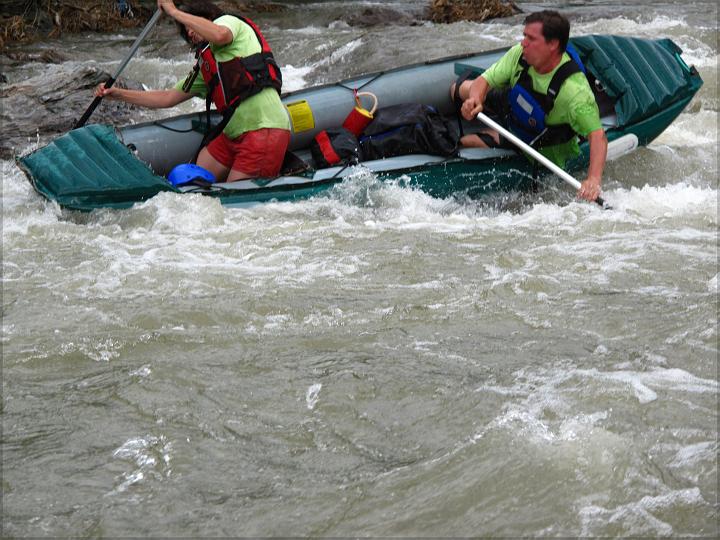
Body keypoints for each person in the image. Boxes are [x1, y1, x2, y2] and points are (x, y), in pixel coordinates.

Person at [95, 0, 291, 182]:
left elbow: (220, 34)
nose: (189, 33)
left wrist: (173, 11)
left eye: (190, 26)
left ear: (206, 17)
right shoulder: (206, 67)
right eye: (186, 30)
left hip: (264, 129)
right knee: (191, 186)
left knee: (232, 203)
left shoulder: (228, 22)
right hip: (232, 134)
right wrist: (118, 94)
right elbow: (167, 98)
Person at [450, 10, 607, 202]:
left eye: (531, 38)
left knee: (466, 141)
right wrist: (475, 100)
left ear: (552, 44)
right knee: (456, 89)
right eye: (524, 36)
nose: (523, 42)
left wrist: (593, 179)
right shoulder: (520, 54)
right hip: (515, 105)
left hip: (536, 141)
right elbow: (484, 80)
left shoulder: (575, 93)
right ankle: (485, 120)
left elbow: (597, 136)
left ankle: (488, 135)